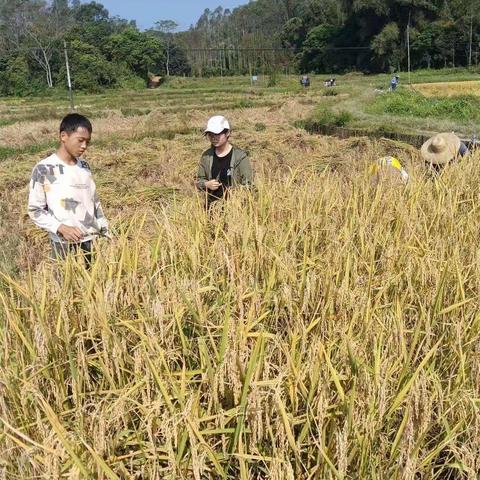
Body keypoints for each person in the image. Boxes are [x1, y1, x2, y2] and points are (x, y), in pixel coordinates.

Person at [28, 113, 109, 264]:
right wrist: (61, 228)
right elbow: (35, 210)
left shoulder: (84, 166)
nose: (84, 146)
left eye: (87, 142)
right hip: (63, 244)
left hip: (91, 240)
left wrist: (105, 230)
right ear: (63, 136)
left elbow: (94, 201)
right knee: (63, 285)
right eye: (80, 140)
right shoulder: (44, 169)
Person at [196, 115, 253, 208]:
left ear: (227, 133)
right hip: (211, 209)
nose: (213, 138)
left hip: (234, 209)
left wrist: (234, 194)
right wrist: (207, 184)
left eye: (217, 134)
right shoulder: (206, 156)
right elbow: (199, 181)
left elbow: (248, 185)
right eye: (210, 134)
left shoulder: (240, 157)